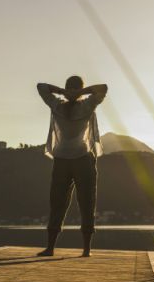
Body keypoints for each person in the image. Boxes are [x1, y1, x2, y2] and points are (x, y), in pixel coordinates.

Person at [36, 76, 107, 257]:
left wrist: (65, 92)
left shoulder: (60, 104)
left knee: (65, 202)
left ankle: (56, 248)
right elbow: (102, 88)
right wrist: (78, 92)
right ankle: (83, 250)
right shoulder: (83, 105)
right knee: (80, 202)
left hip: (69, 159)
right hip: (75, 159)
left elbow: (42, 87)